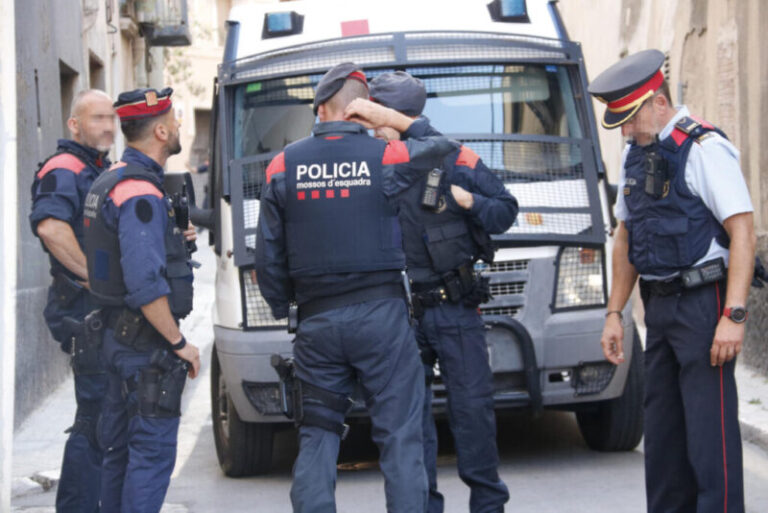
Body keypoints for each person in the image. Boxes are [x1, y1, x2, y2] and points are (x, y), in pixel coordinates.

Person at [255, 62, 460, 513]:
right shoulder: (385, 157)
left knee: (318, 438)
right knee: (401, 438)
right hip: (382, 319)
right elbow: (448, 149)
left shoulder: (281, 165)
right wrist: (395, 122)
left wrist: (286, 306)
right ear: (361, 108)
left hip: (317, 321)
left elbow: (266, 259)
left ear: (320, 106)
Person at [589, 49, 755, 513]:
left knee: (709, 442)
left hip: (705, 306)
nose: (624, 130)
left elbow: (743, 230)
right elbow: (627, 237)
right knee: (661, 442)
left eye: (628, 119)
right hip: (657, 308)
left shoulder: (704, 148)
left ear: (656, 102)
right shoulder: (636, 156)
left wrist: (734, 314)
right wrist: (614, 314)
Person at [346, 71, 517, 513]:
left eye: (380, 119)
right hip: (400, 317)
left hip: (455, 309)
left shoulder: (453, 156)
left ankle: (488, 506)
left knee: (473, 415)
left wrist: (470, 203)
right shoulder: (368, 163)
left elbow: (505, 211)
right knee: (410, 427)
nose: (373, 128)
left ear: (403, 119)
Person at [83, 87, 201, 512]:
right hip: (144, 349)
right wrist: (178, 344)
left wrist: (171, 239)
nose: (180, 129)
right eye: (176, 122)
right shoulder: (140, 193)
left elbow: (115, 254)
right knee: (149, 459)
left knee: (119, 454)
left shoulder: (111, 181)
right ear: (162, 130)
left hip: (115, 340)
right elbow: (145, 283)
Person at [29, 89, 115, 512]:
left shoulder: (96, 168)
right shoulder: (65, 168)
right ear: (74, 125)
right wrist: (97, 282)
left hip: (99, 309)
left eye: (111, 118)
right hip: (84, 311)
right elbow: (50, 228)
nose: (107, 126)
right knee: (96, 417)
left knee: (106, 415)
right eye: (97, 118)